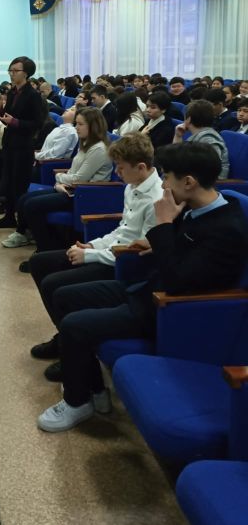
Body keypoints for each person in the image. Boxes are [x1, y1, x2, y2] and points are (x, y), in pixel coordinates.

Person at [36, 142, 248, 432]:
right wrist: (156, 240)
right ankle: (93, 388)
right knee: (63, 296)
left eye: (167, 177)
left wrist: (162, 227)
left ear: (188, 182)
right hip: (146, 288)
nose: (163, 185)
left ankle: (77, 402)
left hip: (169, 309)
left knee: (74, 325)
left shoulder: (227, 229)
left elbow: (177, 281)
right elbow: (178, 248)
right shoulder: (193, 205)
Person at [27, 133, 164, 366]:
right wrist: (93, 244)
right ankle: (66, 339)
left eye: (121, 167)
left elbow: (138, 249)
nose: (117, 172)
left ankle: (69, 344)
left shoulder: (157, 200)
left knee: (54, 285)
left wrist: (89, 255)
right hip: (110, 252)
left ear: (141, 167)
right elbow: (122, 230)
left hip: (125, 264)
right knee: (39, 263)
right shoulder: (132, 185)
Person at [2, 108, 111, 250]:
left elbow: (78, 178)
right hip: (71, 189)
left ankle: (45, 248)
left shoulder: (98, 149)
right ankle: (25, 234)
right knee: (24, 199)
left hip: (84, 196)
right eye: (76, 123)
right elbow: (73, 173)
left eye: (80, 124)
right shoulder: (86, 144)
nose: (76, 127)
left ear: (93, 126)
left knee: (31, 206)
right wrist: (60, 183)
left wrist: (59, 177)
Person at [0, 56, 45, 229]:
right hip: (10, 142)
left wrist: (16, 122)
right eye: (10, 70)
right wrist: (0, 109)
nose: (11, 74)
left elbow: (38, 123)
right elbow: (9, 115)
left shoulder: (33, 95)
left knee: (19, 186)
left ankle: (22, 225)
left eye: (15, 71)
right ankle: (9, 217)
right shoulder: (13, 92)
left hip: (23, 145)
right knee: (8, 182)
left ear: (26, 73)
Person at [173, 100, 230, 179]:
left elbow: (209, 172)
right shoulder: (200, 136)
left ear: (188, 119)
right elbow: (177, 157)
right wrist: (178, 136)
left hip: (210, 183)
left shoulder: (209, 140)